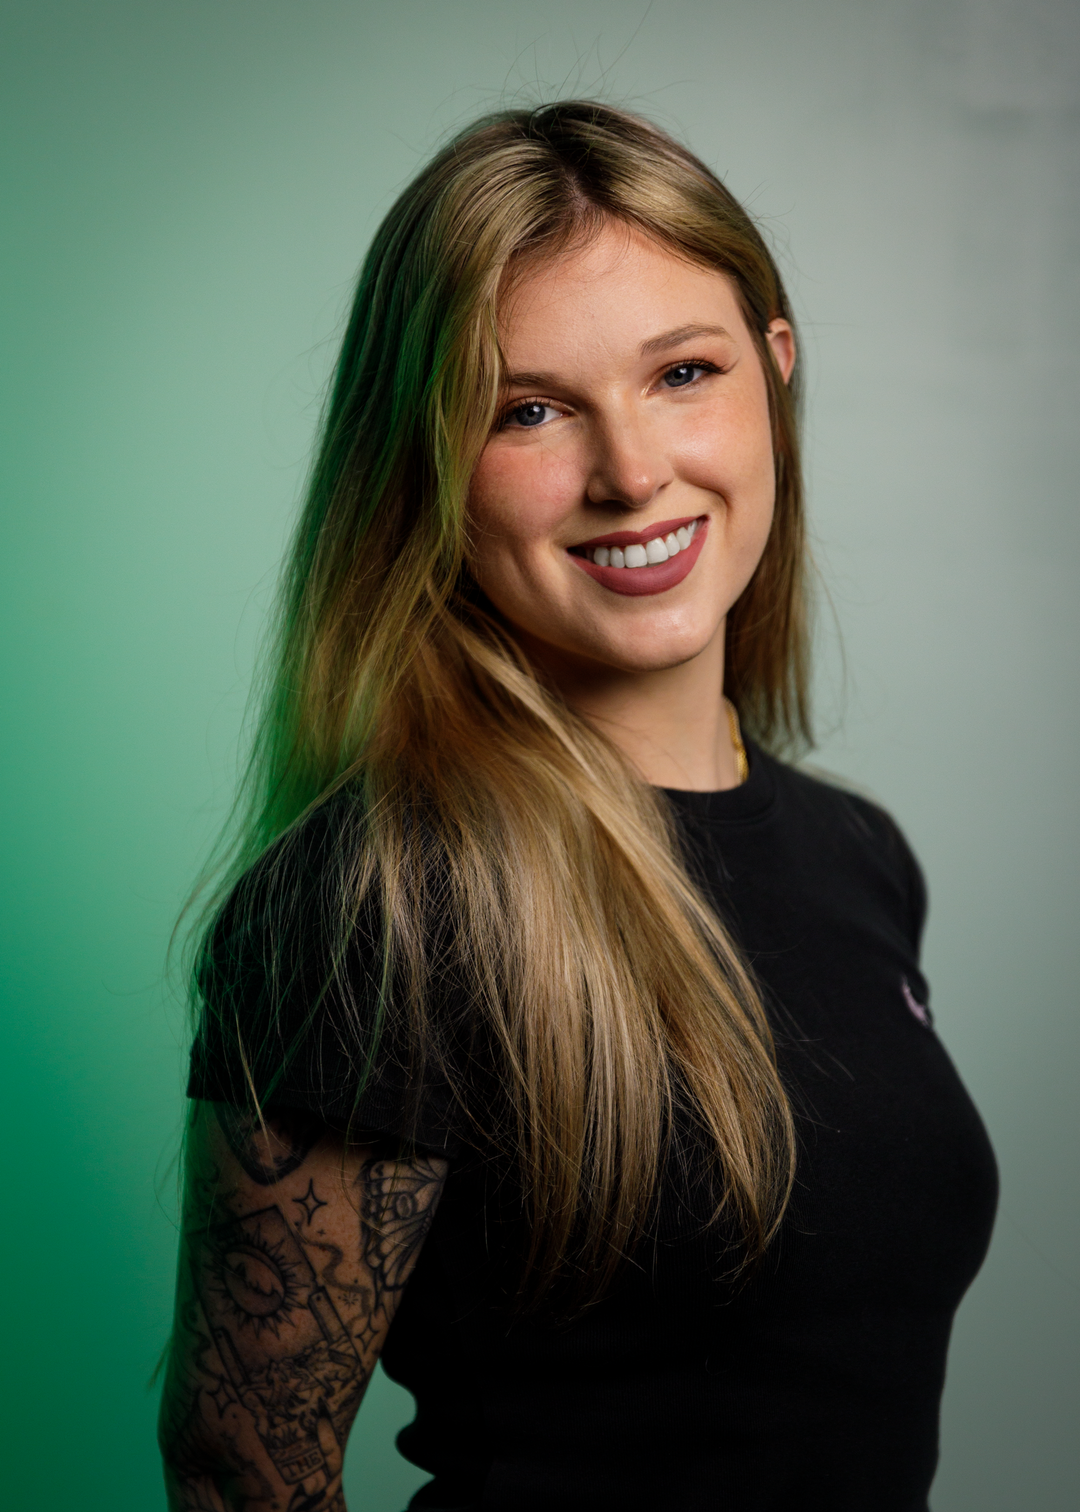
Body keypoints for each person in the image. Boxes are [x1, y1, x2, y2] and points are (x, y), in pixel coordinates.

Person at [158, 101, 998, 1512]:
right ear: (425, 460)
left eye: (683, 373)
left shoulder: (863, 855)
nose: (630, 472)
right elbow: (243, 1466)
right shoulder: (382, 905)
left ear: (774, 376)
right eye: (530, 409)